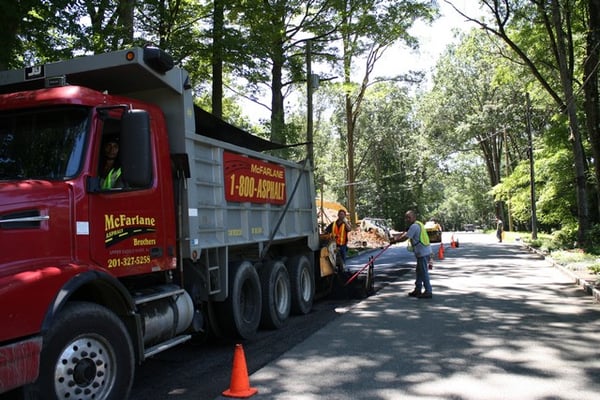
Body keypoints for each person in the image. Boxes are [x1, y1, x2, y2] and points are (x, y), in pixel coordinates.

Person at [395, 210, 433, 299]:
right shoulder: (418, 224)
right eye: (406, 217)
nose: (407, 219)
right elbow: (406, 233)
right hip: (424, 251)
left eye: (409, 217)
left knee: (423, 272)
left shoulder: (414, 226)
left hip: (423, 253)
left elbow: (406, 237)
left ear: (414, 217)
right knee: (419, 272)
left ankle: (428, 291)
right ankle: (418, 289)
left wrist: (395, 241)